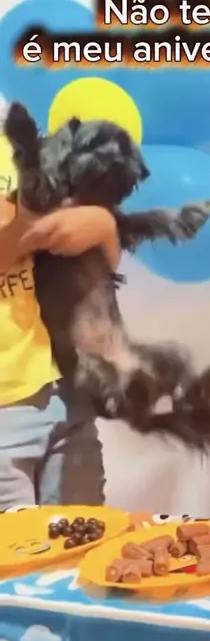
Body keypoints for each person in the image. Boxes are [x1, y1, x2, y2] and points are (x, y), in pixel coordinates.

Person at [0, 194, 121, 510]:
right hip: (5, 408)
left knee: (82, 534)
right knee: (17, 540)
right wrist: (34, 224)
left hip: (69, 392)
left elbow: (97, 263)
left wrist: (103, 227)